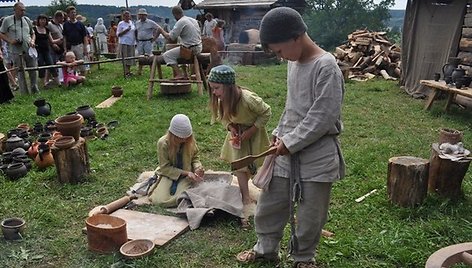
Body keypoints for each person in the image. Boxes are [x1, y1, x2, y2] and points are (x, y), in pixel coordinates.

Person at [235, 7, 345, 268]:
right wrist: (279, 133)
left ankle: (304, 258)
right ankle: (265, 249)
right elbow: (292, 106)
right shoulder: (293, 63)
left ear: (297, 37)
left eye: (279, 50)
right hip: (285, 146)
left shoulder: (326, 66)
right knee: (271, 203)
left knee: (310, 212)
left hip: (317, 152)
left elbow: (322, 117)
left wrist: (291, 141)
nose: (280, 57)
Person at [207, 64, 271, 226]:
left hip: (254, 135)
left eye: (216, 88)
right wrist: (231, 127)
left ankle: (268, 194)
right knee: (239, 168)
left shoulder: (248, 99)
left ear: (228, 87)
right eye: (212, 89)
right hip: (237, 137)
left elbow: (266, 112)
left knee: (258, 165)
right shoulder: (223, 99)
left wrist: (252, 130)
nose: (214, 93)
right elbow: (224, 118)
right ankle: (245, 197)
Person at [149, 114, 205, 208]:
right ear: (173, 135)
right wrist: (186, 173)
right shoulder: (163, 143)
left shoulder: (189, 140)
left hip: (186, 176)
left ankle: (185, 193)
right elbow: (165, 168)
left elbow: (195, 157)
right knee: (160, 200)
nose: (184, 140)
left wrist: (197, 168)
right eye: (180, 138)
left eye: (186, 137)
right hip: (169, 174)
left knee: (180, 197)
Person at [0, 2, 38, 94]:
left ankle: (34, 89)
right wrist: (10, 41)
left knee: (33, 69)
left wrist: (32, 41)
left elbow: (33, 33)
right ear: (15, 10)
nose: (23, 12)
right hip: (16, 51)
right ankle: (24, 91)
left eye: (24, 10)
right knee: (20, 72)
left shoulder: (26, 19)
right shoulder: (7, 20)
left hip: (29, 49)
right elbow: (1, 33)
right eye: (21, 10)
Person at [158, 6, 202, 79]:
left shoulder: (181, 22)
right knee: (180, 47)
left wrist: (161, 31)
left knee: (167, 55)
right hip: (199, 47)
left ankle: (179, 74)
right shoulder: (192, 20)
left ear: (174, 14)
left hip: (190, 50)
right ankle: (185, 74)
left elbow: (171, 38)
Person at [34, 14, 61, 88]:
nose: (43, 21)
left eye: (44, 19)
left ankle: (58, 83)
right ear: (38, 20)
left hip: (46, 50)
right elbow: (33, 38)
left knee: (51, 65)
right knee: (41, 65)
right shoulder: (34, 29)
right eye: (41, 19)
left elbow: (51, 41)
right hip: (38, 50)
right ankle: (44, 83)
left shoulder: (47, 30)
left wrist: (60, 39)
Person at [62, 6, 88, 75]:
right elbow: (64, 37)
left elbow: (85, 37)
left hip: (79, 45)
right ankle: (73, 78)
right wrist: (65, 48)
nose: (73, 14)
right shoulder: (66, 25)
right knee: (71, 64)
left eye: (74, 12)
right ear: (68, 14)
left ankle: (83, 78)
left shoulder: (80, 24)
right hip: (70, 46)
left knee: (81, 63)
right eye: (71, 13)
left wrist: (85, 48)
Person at [135, 8, 159, 75]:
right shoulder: (137, 23)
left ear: (146, 15)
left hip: (148, 41)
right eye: (140, 15)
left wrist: (154, 38)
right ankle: (139, 71)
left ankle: (152, 71)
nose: (142, 16)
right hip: (140, 42)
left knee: (149, 57)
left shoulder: (150, 22)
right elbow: (136, 31)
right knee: (140, 57)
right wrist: (136, 39)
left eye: (143, 15)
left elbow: (158, 29)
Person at [47, 10, 65, 85]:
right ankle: (49, 79)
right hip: (53, 47)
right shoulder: (49, 25)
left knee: (62, 63)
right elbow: (47, 36)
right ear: (58, 17)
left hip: (61, 47)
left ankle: (62, 77)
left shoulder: (61, 25)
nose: (63, 19)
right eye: (62, 18)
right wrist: (53, 44)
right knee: (53, 63)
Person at [116, 10, 136, 77]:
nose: (127, 17)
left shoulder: (131, 23)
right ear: (123, 17)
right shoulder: (121, 24)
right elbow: (118, 34)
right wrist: (126, 30)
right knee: (125, 57)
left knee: (130, 57)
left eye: (128, 16)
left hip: (131, 42)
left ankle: (128, 71)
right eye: (126, 16)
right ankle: (125, 72)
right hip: (124, 42)